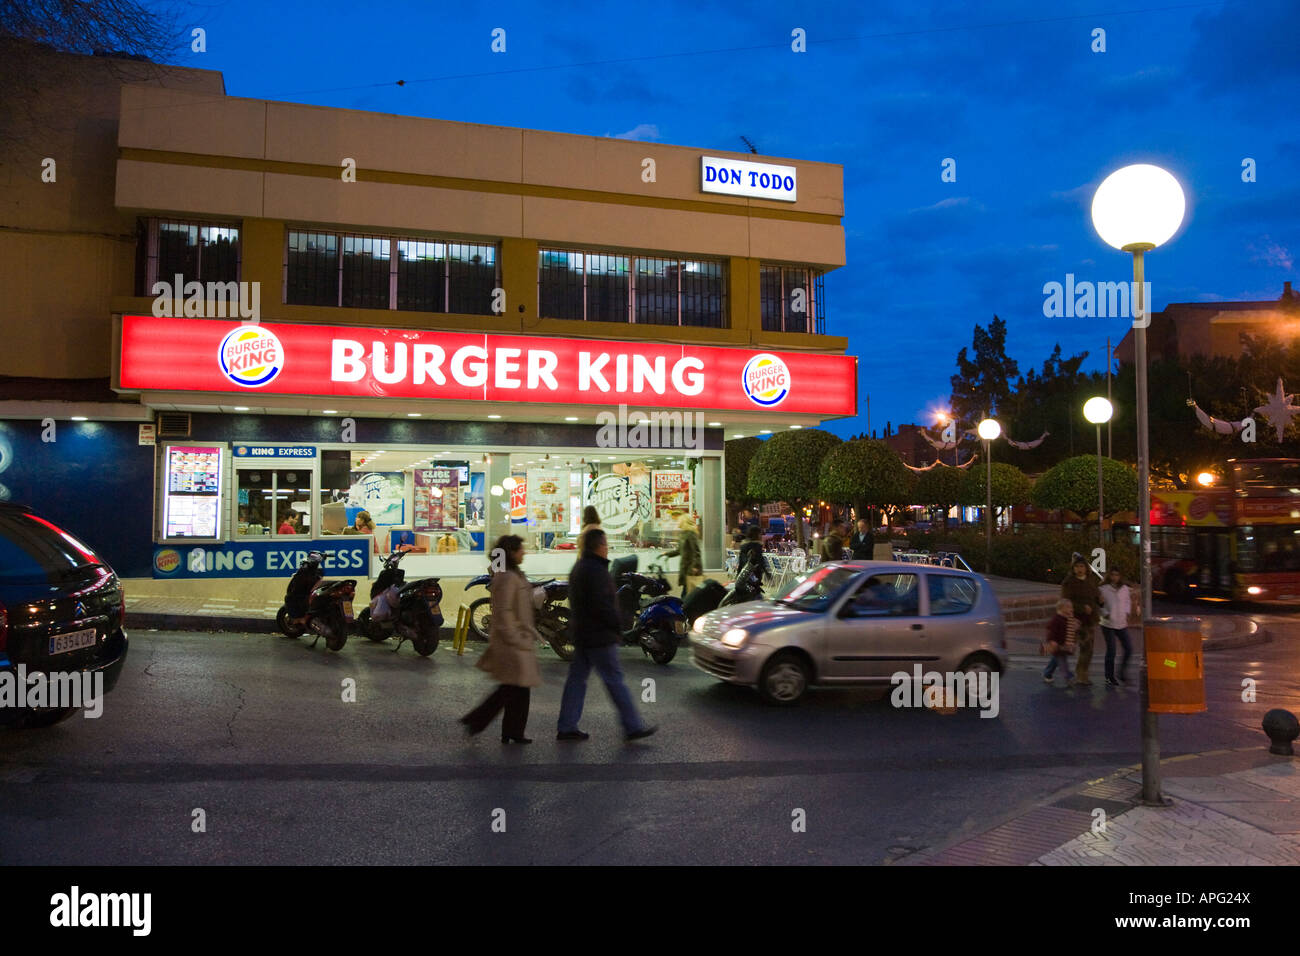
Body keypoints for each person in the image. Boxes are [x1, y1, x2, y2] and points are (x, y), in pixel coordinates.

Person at [556, 528, 656, 742]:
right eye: (605, 544)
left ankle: (566, 725)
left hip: (584, 632)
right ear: (599, 546)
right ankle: (633, 726)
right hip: (599, 634)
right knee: (614, 679)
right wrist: (617, 627)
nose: (607, 547)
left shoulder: (581, 567)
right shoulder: (596, 570)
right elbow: (603, 605)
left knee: (577, 679)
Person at [460, 535, 541, 743]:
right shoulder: (507, 577)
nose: (524, 552)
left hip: (516, 638)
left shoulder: (511, 574)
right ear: (512, 553)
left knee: (515, 688)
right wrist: (516, 637)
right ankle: (480, 721)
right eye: (521, 549)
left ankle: (509, 731)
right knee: (513, 688)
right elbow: (504, 611)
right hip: (512, 641)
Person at [1061, 556, 1101, 686]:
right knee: (1067, 648)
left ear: (1086, 568)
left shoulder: (1091, 580)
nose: (1080, 569)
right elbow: (1065, 601)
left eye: (1082, 566)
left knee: (1087, 649)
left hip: (1089, 620)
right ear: (1073, 568)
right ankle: (1051, 671)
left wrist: (1099, 602)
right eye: (1077, 567)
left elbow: (1096, 595)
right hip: (1074, 620)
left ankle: (1082, 675)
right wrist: (1081, 608)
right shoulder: (1069, 582)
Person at [1099, 568, 1134, 685]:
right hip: (1108, 624)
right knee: (1111, 650)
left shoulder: (1124, 589)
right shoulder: (1103, 589)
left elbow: (1127, 601)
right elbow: (1099, 605)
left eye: (1117, 575)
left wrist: (1127, 612)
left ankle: (1122, 672)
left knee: (1128, 648)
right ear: (1109, 576)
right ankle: (1109, 676)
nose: (1114, 577)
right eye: (1112, 575)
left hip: (1121, 623)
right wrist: (1105, 614)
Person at [1042, 597, 1079, 686]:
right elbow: (1051, 631)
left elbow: (1070, 631)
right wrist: (1052, 640)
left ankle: (1047, 673)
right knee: (1062, 661)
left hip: (1063, 645)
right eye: (1069, 607)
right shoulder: (1056, 619)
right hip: (1056, 644)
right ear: (1062, 608)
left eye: (1071, 607)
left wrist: (1075, 628)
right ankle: (1069, 677)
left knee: (1055, 660)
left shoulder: (1068, 619)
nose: (1071, 609)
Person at [664, 514, 703, 597]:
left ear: (684, 521)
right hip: (685, 568)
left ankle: (685, 608)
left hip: (691, 569)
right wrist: (667, 554)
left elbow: (696, 551)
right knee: (686, 592)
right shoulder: (683, 534)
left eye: (679, 520)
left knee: (686, 594)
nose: (677, 522)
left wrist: (695, 567)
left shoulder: (690, 534)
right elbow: (679, 550)